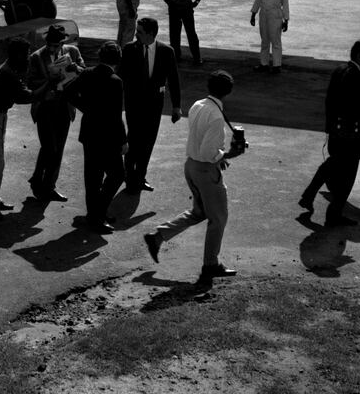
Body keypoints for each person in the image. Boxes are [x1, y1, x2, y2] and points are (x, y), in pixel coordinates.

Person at [143, 70, 246, 283]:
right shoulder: (217, 117)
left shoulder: (198, 105)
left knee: (199, 212)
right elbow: (210, 152)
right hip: (206, 171)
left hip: (191, 166)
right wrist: (227, 154)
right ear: (228, 92)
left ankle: (158, 236)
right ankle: (211, 264)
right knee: (218, 218)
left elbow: (201, 141)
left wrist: (217, 156)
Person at [0, 36, 56, 220]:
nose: (28, 57)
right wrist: (49, 83)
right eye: (26, 53)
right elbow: (26, 96)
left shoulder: (12, 67)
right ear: (17, 54)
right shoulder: (8, 73)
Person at [299, 40, 360, 226]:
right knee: (347, 176)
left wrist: (330, 126)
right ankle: (333, 214)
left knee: (331, 165)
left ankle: (309, 196)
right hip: (349, 134)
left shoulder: (340, 70)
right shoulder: (356, 76)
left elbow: (331, 102)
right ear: (359, 56)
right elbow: (351, 107)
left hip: (336, 131)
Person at [65, 42, 127, 234]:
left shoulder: (87, 73)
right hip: (108, 137)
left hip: (90, 132)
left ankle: (94, 213)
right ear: (117, 60)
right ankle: (96, 214)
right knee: (117, 175)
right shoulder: (115, 81)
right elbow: (116, 116)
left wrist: (86, 108)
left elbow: (68, 92)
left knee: (93, 177)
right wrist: (123, 140)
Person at [119, 17, 182, 193]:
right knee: (133, 140)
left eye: (139, 32)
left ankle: (140, 177)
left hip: (154, 106)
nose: (136, 34)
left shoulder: (166, 51)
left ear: (150, 34)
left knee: (148, 142)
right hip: (134, 104)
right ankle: (130, 178)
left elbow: (174, 79)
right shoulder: (129, 50)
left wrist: (176, 106)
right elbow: (121, 76)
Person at [26, 24, 85, 202]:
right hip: (45, 106)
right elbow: (31, 82)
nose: (53, 48)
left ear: (62, 44)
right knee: (49, 147)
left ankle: (49, 184)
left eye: (56, 45)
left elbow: (84, 73)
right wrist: (48, 81)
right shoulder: (36, 57)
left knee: (58, 148)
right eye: (50, 45)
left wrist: (75, 69)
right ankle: (38, 180)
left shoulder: (72, 52)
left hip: (64, 106)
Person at [155, 0, 206, 65]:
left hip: (187, 9)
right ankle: (176, 57)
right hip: (174, 8)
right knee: (174, 34)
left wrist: (196, 2)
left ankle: (197, 57)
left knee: (191, 34)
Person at [250, 0, 289, 74]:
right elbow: (257, 2)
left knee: (276, 41)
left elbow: (285, 6)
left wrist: (286, 20)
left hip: (276, 17)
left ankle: (277, 66)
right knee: (264, 41)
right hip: (263, 16)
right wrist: (253, 14)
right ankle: (264, 64)